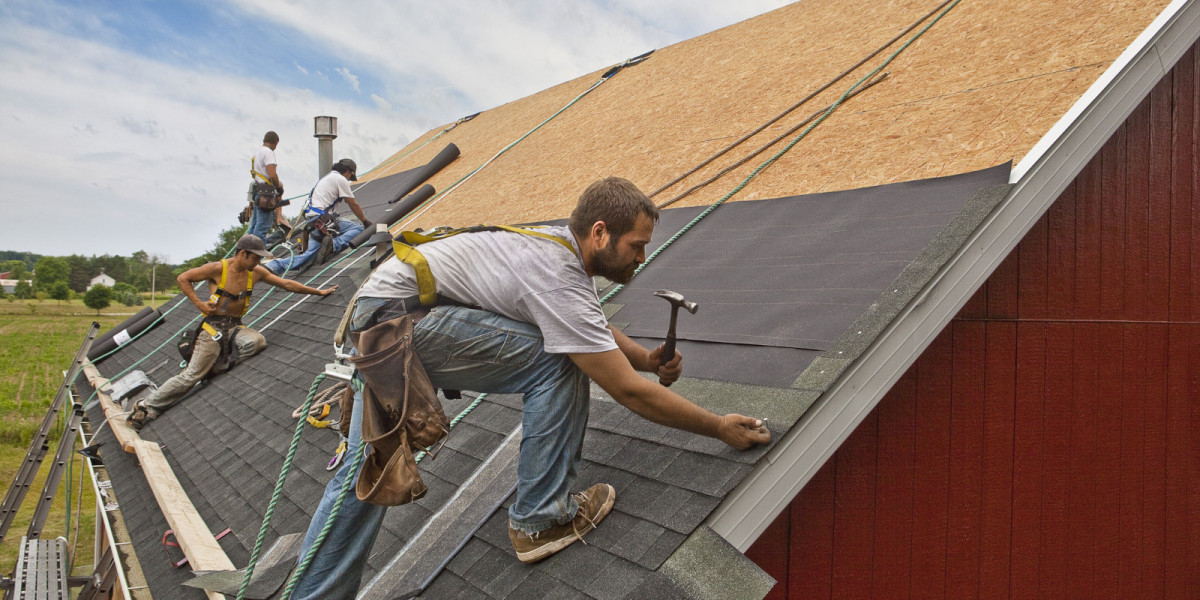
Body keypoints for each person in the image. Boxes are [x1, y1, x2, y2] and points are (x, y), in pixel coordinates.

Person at [290, 176, 770, 599]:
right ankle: (539, 518)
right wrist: (718, 426)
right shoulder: (555, 275)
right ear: (600, 232)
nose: (642, 257)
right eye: (636, 246)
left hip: (381, 318)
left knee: (365, 475)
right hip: (396, 323)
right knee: (558, 361)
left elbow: (587, 322)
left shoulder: (554, 246)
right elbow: (629, 392)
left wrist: (645, 358)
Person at [126, 235, 337, 430]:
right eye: (255, 257)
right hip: (212, 330)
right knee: (190, 376)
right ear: (242, 253)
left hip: (235, 327)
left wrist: (318, 291)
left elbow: (286, 284)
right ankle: (145, 406)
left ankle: (215, 367)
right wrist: (199, 304)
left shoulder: (256, 272)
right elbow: (183, 278)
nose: (257, 262)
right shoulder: (217, 269)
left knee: (257, 342)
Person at [263, 159, 371, 275]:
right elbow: (353, 204)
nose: (349, 180)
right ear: (349, 172)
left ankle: (274, 265)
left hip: (314, 220)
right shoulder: (341, 179)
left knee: (310, 256)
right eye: (350, 177)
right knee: (359, 229)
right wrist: (365, 221)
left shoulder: (327, 178)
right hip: (323, 219)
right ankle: (333, 245)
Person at [248, 131, 287, 242]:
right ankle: (257, 255)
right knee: (262, 227)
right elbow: (272, 173)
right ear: (275, 143)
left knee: (254, 226)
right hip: (265, 194)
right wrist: (278, 186)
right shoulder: (268, 152)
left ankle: (247, 250)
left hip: (258, 191)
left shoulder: (258, 152)